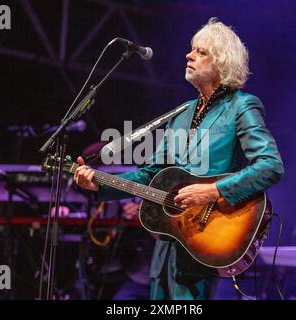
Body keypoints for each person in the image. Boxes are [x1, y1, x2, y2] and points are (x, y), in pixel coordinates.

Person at [74, 18, 284, 300]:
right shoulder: (182, 114)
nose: (189, 55)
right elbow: (150, 175)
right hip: (166, 250)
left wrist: (211, 192)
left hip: (205, 242)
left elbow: (270, 165)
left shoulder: (241, 106)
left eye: (200, 51)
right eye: (190, 49)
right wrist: (99, 184)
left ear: (221, 62)